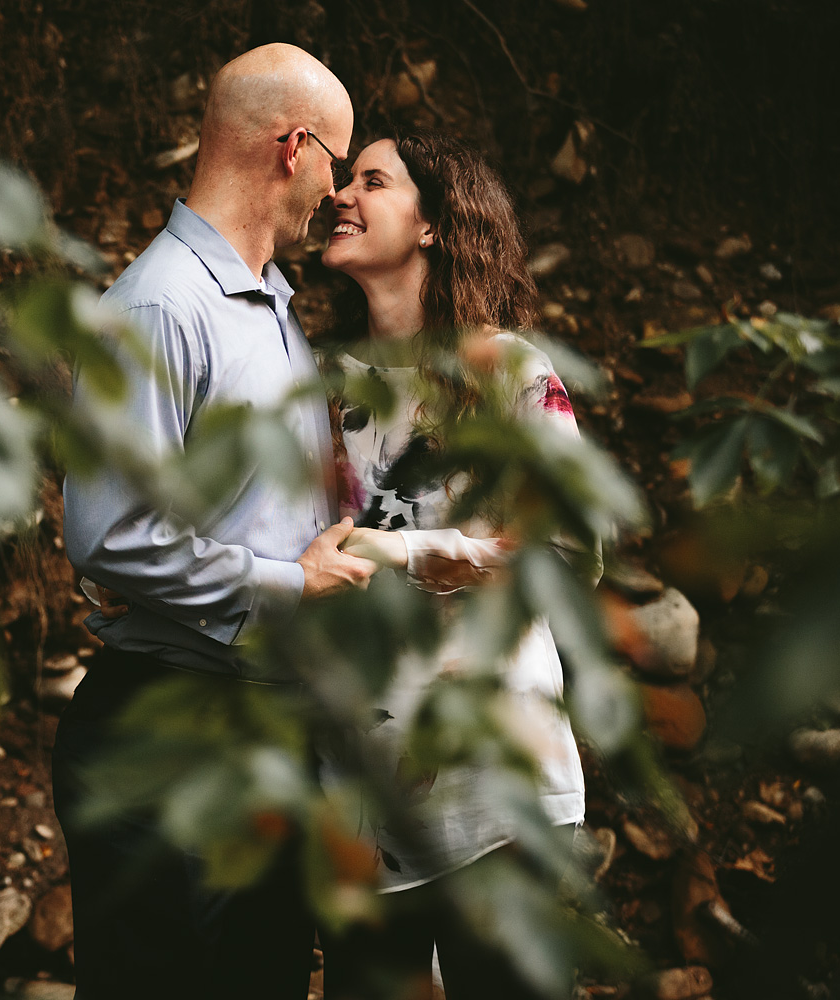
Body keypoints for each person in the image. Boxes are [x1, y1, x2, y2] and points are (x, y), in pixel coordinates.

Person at [55, 43, 376, 1000]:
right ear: (293, 147)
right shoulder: (159, 306)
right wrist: (295, 587)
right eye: (338, 164)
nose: (339, 191)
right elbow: (109, 534)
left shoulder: (270, 310)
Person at [316, 127, 593, 1000]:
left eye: (373, 180)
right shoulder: (321, 384)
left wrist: (403, 550)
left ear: (435, 224)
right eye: (340, 180)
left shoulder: (511, 371)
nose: (340, 196)